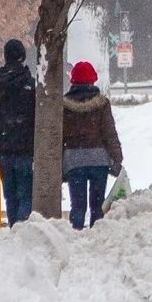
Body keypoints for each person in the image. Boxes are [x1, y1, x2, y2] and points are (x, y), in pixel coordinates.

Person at [0, 37, 38, 225]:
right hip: (26, 150)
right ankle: (23, 229)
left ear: (5, 57)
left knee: (10, 196)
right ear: (23, 57)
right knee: (26, 194)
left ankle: (14, 227)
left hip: (2, 151)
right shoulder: (32, 86)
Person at [60, 59, 124, 229]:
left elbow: (60, 137)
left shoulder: (64, 105)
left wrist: (59, 164)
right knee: (97, 206)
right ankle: (97, 235)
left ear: (73, 80)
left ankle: (76, 233)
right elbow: (109, 133)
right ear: (93, 80)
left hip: (74, 160)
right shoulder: (102, 104)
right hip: (99, 160)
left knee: (78, 206)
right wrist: (117, 158)